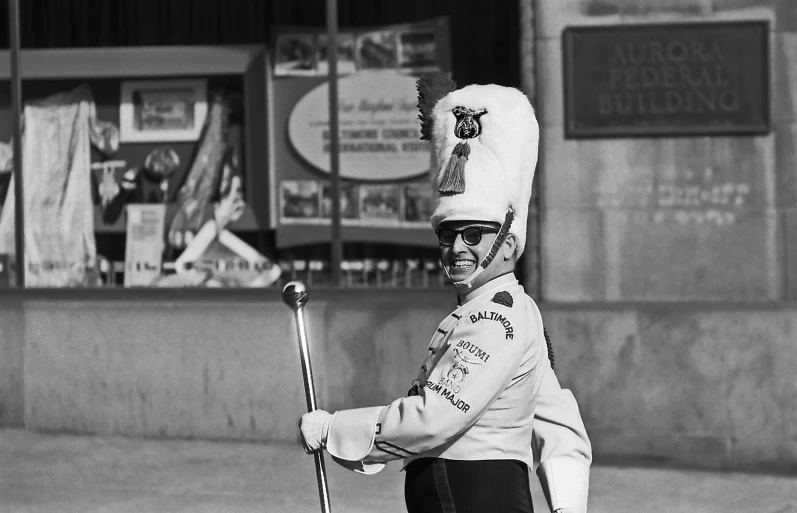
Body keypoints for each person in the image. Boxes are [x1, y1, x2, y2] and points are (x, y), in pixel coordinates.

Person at [299, 73, 591, 513]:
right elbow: (556, 421)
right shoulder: (512, 312)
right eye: (448, 234)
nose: (457, 247)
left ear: (508, 244)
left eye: (474, 233)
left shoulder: (495, 320)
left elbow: (436, 416)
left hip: (467, 494)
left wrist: (339, 429)